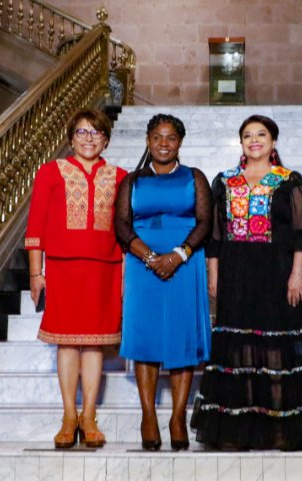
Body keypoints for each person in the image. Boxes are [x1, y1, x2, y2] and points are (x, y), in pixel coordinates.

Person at [191, 115, 302, 451]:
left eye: (261, 134)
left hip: (277, 273)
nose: (254, 140)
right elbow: (216, 234)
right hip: (235, 275)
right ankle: (238, 429)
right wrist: (214, 273)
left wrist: (297, 273)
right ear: (241, 142)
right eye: (248, 135)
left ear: (273, 141)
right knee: (236, 348)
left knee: (277, 348)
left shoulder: (289, 180)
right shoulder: (224, 181)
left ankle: (281, 428)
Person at [25, 108, 127, 449]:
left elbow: (125, 231)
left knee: (95, 343)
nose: (89, 138)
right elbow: (36, 226)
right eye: (82, 132)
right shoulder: (50, 172)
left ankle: (89, 416)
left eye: (96, 132)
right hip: (62, 267)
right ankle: (69, 415)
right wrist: (36, 272)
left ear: (106, 140)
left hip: (105, 268)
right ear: (71, 138)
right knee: (67, 342)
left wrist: (124, 274)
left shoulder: (120, 176)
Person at [116, 114, 212, 451]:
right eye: (157, 137)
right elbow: (122, 225)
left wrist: (177, 255)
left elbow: (205, 222)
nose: (163, 144)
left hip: (185, 262)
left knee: (182, 336)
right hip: (142, 262)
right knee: (146, 337)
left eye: (171, 137)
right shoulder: (132, 181)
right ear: (148, 140)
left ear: (180, 142)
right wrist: (149, 257)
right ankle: (148, 416)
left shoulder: (195, 177)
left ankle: (178, 417)